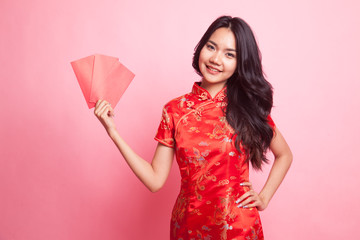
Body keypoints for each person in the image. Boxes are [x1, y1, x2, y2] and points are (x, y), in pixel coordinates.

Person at [94, 16, 292, 240]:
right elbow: (155, 180)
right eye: (211, 47)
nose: (216, 59)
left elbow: (284, 154)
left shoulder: (247, 107)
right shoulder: (174, 110)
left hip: (239, 229)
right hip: (188, 227)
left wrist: (264, 197)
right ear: (201, 48)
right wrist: (113, 132)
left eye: (229, 54)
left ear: (241, 63)